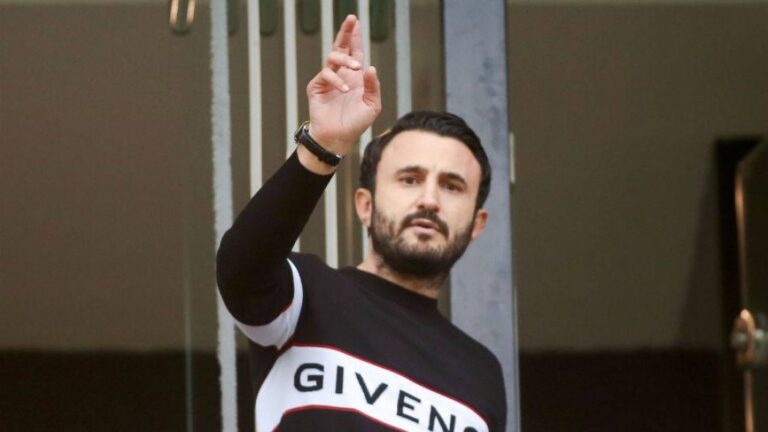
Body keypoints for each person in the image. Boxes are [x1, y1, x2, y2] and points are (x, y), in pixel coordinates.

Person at [216, 14, 506, 432]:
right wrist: (323, 146)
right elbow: (241, 269)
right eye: (409, 179)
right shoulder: (305, 295)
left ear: (477, 224)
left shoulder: (481, 374)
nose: (429, 199)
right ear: (365, 205)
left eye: (451, 186)